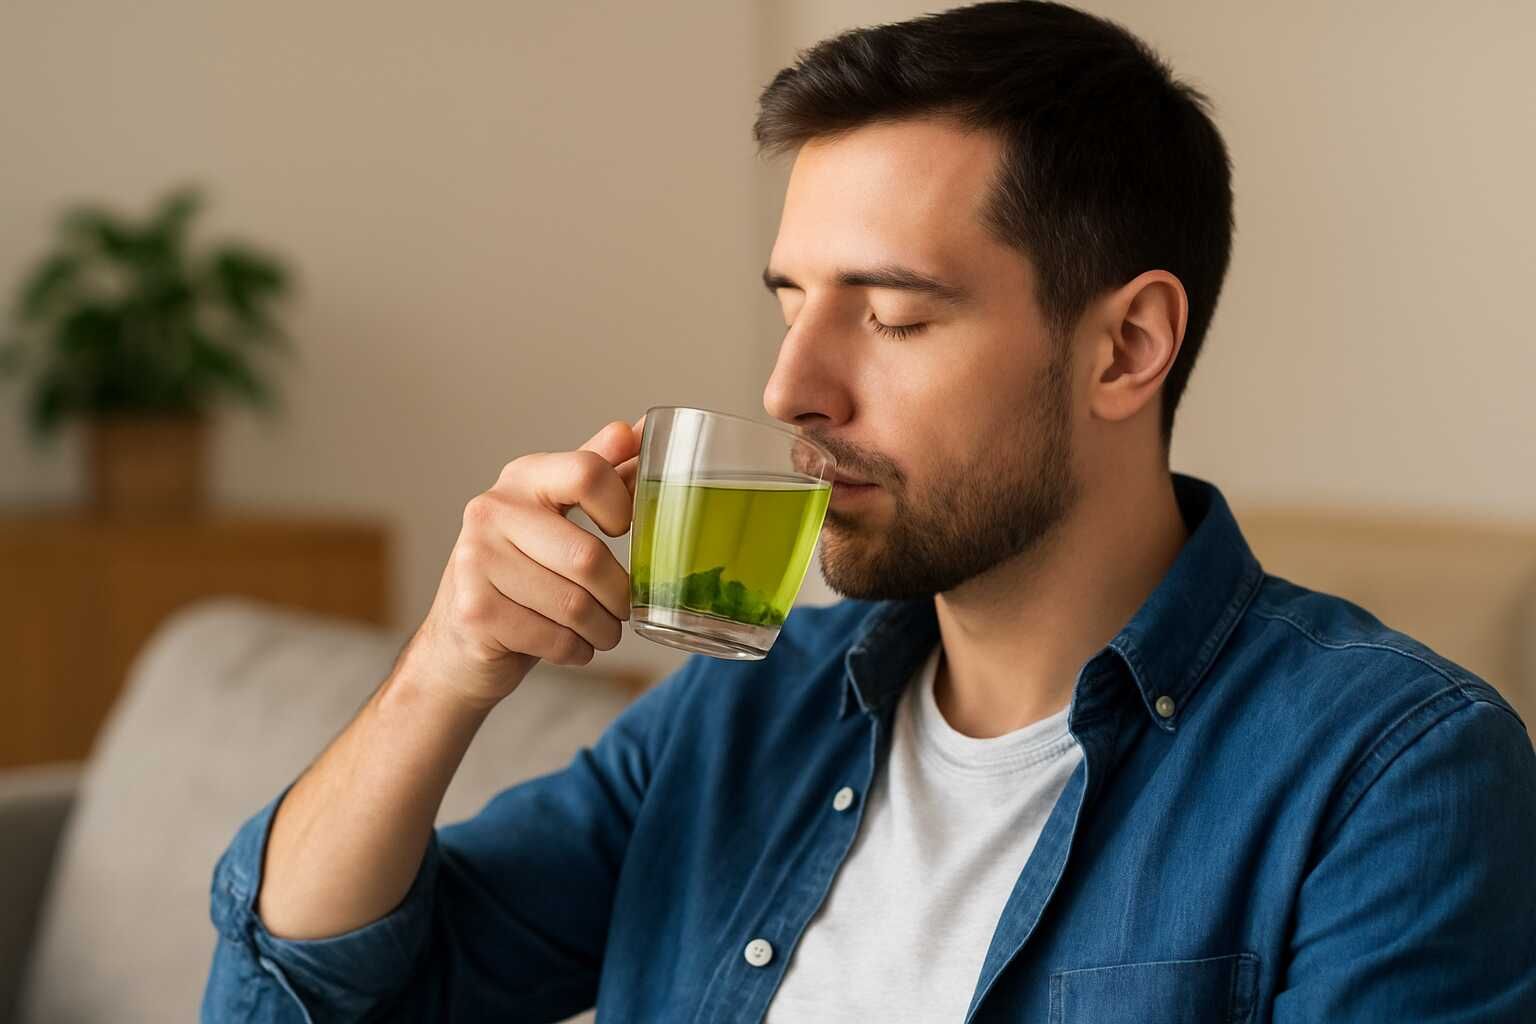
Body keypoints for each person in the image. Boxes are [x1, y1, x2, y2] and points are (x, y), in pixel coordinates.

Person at [202, 2, 1536, 1021]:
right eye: (792, 303)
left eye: (893, 314)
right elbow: (307, 993)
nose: (793, 386)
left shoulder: (1395, 776)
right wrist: (445, 670)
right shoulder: (746, 709)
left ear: (1126, 348)